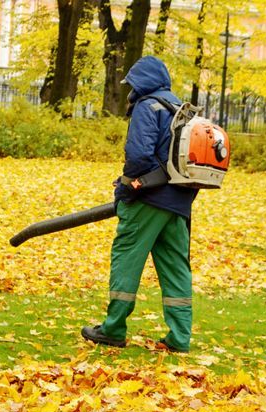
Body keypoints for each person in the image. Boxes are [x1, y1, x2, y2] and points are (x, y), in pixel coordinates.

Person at [81, 56, 199, 353]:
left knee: (126, 261)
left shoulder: (148, 107)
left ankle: (113, 329)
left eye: (132, 83)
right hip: (178, 202)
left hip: (147, 200)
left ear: (141, 82)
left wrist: (127, 189)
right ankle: (180, 337)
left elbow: (138, 155)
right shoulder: (180, 109)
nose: (129, 89)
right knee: (175, 269)